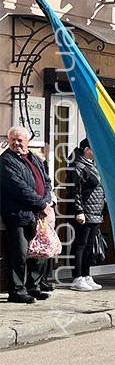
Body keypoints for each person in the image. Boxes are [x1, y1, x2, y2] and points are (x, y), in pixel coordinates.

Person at [2, 126, 55, 304]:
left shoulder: (34, 158)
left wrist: (46, 202)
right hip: (18, 214)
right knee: (19, 254)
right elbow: (18, 188)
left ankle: (34, 287)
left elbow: (46, 182)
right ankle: (17, 291)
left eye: (20, 140)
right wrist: (41, 204)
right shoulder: (6, 161)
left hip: (38, 214)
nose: (16, 143)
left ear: (28, 142)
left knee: (39, 252)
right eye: (13, 140)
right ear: (8, 141)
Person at [65, 138, 106, 292]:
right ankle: (77, 277)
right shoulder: (78, 166)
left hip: (96, 212)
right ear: (87, 149)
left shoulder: (93, 166)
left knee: (89, 245)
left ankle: (86, 275)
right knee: (80, 245)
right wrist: (79, 211)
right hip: (84, 211)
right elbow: (74, 191)